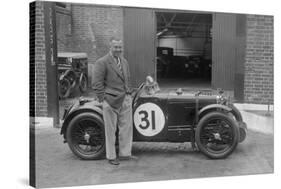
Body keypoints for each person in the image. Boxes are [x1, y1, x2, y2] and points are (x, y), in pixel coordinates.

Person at [92, 36, 136, 165]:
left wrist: (129, 94)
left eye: (120, 47)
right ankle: (111, 156)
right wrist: (103, 100)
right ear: (110, 47)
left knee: (126, 128)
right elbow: (96, 83)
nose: (118, 49)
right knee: (110, 130)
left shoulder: (124, 61)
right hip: (110, 101)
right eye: (116, 47)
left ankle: (125, 154)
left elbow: (127, 78)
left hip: (125, 99)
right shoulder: (102, 62)